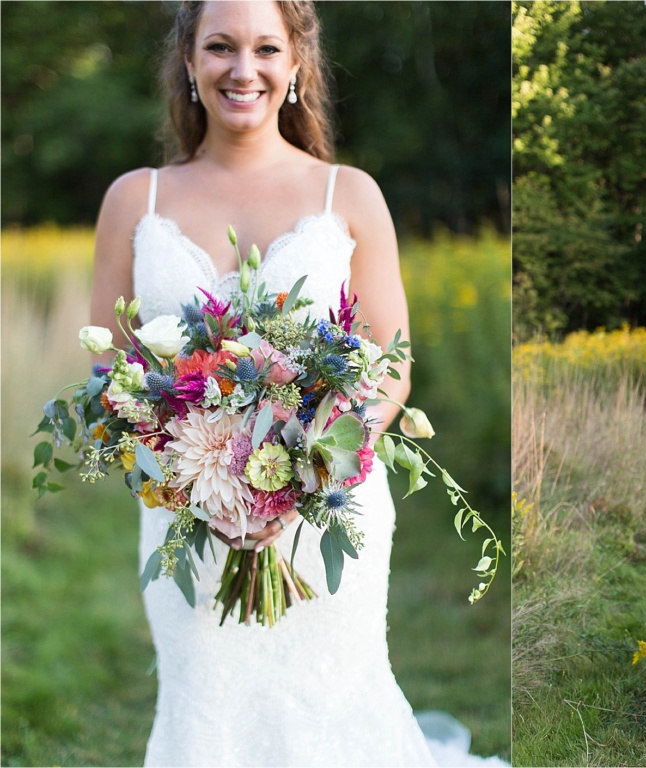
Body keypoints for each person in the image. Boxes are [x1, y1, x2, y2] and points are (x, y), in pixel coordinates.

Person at [89, 2, 501, 765]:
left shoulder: (349, 194)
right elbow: (109, 373)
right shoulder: (133, 200)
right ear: (188, 61)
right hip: (188, 521)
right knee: (205, 710)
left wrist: (310, 474)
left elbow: (392, 362)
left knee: (333, 707)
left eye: (264, 49)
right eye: (219, 46)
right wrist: (191, 485)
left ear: (297, 65)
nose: (242, 69)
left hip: (325, 514)